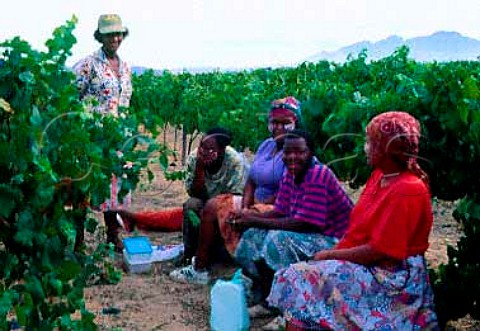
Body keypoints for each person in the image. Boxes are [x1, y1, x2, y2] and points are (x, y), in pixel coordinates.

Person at [267, 111, 439, 330]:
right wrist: (332, 257)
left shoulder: (408, 189)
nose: (365, 148)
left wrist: (330, 255)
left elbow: (381, 251)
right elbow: (358, 228)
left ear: (387, 148)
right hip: (370, 263)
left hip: (392, 277)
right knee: (304, 280)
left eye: (370, 142)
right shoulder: (379, 176)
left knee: (298, 277)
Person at [170, 129, 353, 304]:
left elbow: (305, 223)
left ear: (311, 153)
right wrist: (248, 216)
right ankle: (264, 292)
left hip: (335, 239)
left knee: (277, 240)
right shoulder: (291, 173)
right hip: (309, 231)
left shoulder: (318, 174)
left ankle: (284, 299)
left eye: (300, 152)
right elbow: (280, 210)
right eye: (288, 152)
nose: (292, 157)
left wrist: (254, 219)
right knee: (252, 235)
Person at [73, 14, 133, 251]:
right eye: (109, 34)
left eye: (118, 34)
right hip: (91, 138)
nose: (115, 38)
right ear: (100, 36)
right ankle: (78, 242)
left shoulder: (126, 67)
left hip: (116, 138)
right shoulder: (88, 64)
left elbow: (124, 102)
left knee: (114, 187)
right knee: (85, 188)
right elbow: (71, 96)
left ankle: (112, 236)